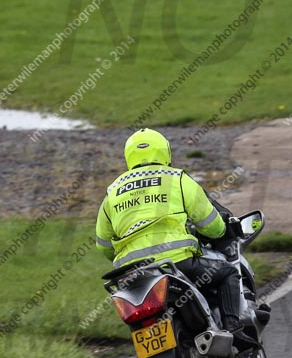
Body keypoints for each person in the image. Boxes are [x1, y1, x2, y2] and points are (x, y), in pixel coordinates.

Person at [96, 127, 254, 346]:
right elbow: (209, 223)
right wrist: (222, 231)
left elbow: (103, 244)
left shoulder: (112, 192)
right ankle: (233, 330)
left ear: (129, 156)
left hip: (132, 272)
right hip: (176, 261)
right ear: (165, 152)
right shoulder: (176, 178)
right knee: (227, 273)